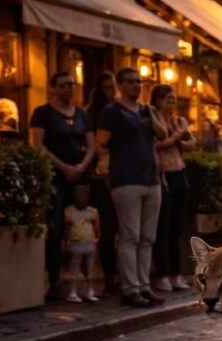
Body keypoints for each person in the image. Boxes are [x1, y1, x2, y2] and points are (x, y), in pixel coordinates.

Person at [96, 68, 165, 308]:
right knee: (130, 235)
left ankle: (145, 286)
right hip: (126, 179)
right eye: (131, 82)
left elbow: (162, 133)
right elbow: (101, 142)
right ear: (120, 84)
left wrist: (152, 111)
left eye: (139, 82)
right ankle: (130, 288)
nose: (136, 86)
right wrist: (106, 165)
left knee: (147, 237)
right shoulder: (112, 111)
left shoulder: (147, 110)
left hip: (151, 179)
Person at [30, 71, 96, 298]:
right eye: (64, 85)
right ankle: (55, 280)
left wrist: (80, 167)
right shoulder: (42, 113)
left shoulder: (82, 115)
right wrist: (64, 167)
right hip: (56, 177)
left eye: (72, 85)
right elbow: (38, 145)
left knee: (82, 228)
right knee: (56, 227)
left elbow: (91, 145)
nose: (69, 89)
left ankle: (84, 283)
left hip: (79, 178)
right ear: (53, 88)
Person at [149, 84, 195, 292]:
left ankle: (177, 273)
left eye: (174, 99)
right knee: (163, 227)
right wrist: (175, 139)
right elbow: (154, 145)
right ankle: (163, 274)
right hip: (162, 174)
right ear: (157, 100)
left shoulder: (179, 121)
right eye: (167, 99)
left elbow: (191, 144)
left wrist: (179, 140)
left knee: (177, 228)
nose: (171, 103)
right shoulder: (153, 119)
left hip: (179, 172)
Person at [85, 71, 119, 293]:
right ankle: (109, 274)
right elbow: (95, 145)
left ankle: (118, 272)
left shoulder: (119, 111)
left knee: (122, 228)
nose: (111, 91)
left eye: (112, 87)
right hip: (100, 175)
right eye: (107, 87)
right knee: (108, 225)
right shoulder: (91, 114)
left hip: (122, 174)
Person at [63, 184, 100, 303]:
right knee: (74, 270)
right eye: (78, 194)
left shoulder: (92, 211)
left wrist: (96, 238)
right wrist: (66, 241)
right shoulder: (69, 211)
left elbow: (96, 227)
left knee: (90, 271)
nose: (81, 197)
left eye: (84, 194)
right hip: (75, 243)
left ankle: (89, 290)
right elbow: (67, 228)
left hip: (89, 243)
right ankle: (73, 291)